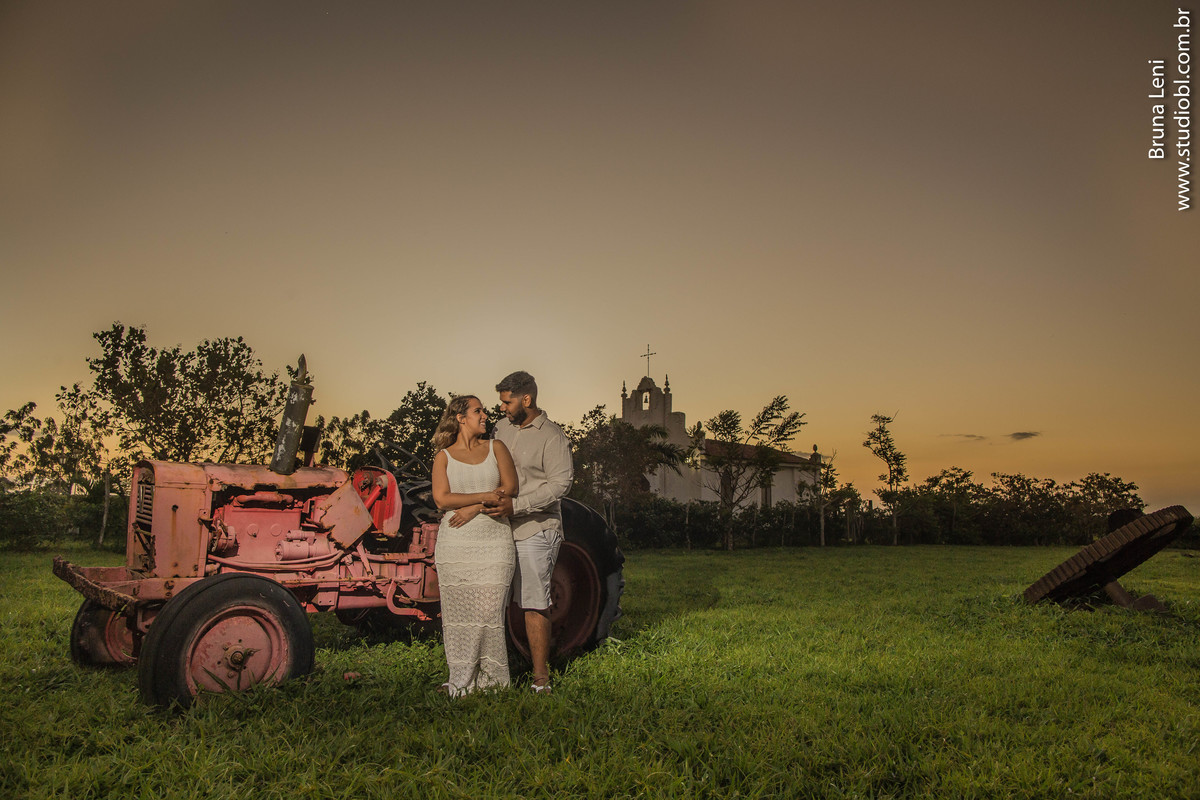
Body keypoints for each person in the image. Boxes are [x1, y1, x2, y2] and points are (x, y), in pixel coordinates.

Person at [485, 371, 573, 694]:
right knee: (495, 598)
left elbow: (560, 484)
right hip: (501, 527)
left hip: (537, 529)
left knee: (534, 601)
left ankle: (540, 680)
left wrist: (517, 506)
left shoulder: (553, 436)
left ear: (527, 399)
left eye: (507, 402)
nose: (503, 408)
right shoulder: (501, 429)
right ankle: (495, 671)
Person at [430, 395, 519, 696]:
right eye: (478, 410)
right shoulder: (444, 456)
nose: (485, 415)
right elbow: (442, 499)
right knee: (459, 618)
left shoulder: (496, 448)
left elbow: (511, 487)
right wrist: (484, 498)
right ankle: (462, 680)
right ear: (460, 417)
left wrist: (473, 508)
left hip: (495, 542)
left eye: (483, 411)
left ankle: (493, 683)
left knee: (489, 613)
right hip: (456, 545)